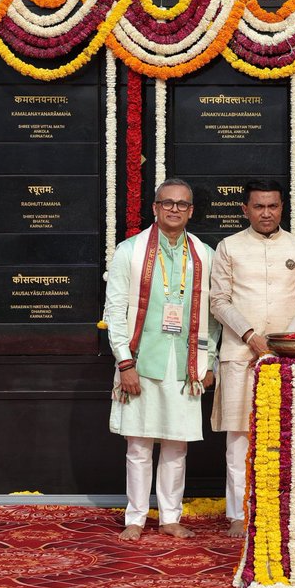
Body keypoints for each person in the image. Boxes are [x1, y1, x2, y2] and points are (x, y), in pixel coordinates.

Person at [103, 178, 220, 541]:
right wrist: (125, 363)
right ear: (154, 208)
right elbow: (115, 310)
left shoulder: (204, 253)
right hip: (141, 359)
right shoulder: (131, 250)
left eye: (182, 204)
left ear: (191, 211)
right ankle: (135, 518)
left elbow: (213, 316)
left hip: (187, 363)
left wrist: (210, 362)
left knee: (176, 444)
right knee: (138, 445)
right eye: (167, 203)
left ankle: (170, 516)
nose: (174, 209)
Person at [209, 179, 295, 538]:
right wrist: (250, 336)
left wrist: (287, 340)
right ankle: (238, 513)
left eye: (273, 206)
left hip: (290, 358)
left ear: (282, 208)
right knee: (240, 436)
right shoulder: (229, 248)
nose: (266, 213)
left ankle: (285, 509)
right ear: (245, 210)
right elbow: (218, 300)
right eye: (259, 206)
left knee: (288, 436)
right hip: (241, 354)